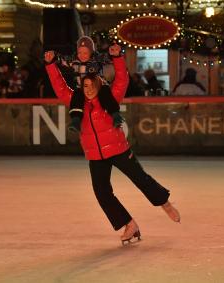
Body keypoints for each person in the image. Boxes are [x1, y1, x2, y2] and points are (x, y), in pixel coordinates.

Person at [44, 43, 181, 245]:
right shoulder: (76, 101)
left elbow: (122, 79)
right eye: (85, 86)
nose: (88, 89)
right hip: (95, 155)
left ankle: (164, 203)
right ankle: (129, 224)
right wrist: (50, 64)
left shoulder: (110, 97)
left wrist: (117, 58)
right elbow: (59, 86)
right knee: (102, 193)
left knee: (140, 179)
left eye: (92, 85)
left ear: (98, 84)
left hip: (118, 149)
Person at [68, 36, 124, 132]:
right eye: (79, 52)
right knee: (76, 96)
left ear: (91, 52)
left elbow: (107, 57)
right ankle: (76, 120)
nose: (82, 55)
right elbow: (62, 59)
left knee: (105, 93)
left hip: (99, 85)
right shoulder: (74, 60)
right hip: (82, 87)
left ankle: (115, 115)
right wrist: (53, 57)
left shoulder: (97, 58)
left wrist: (114, 54)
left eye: (85, 53)